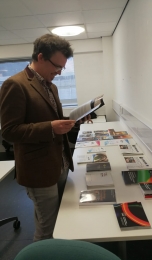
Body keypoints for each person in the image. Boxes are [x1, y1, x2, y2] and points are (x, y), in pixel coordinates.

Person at [0, 34, 87, 242]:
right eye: (57, 66)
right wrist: (50, 128)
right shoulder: (16, 84)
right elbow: (10, 131)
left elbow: (50, 119)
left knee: (54, 219)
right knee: (48, 229)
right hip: (38, 170)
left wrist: (75, 120)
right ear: (40, 57)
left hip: (59, 162)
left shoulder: (51, 86)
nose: (59, 72)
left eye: (62, 68)